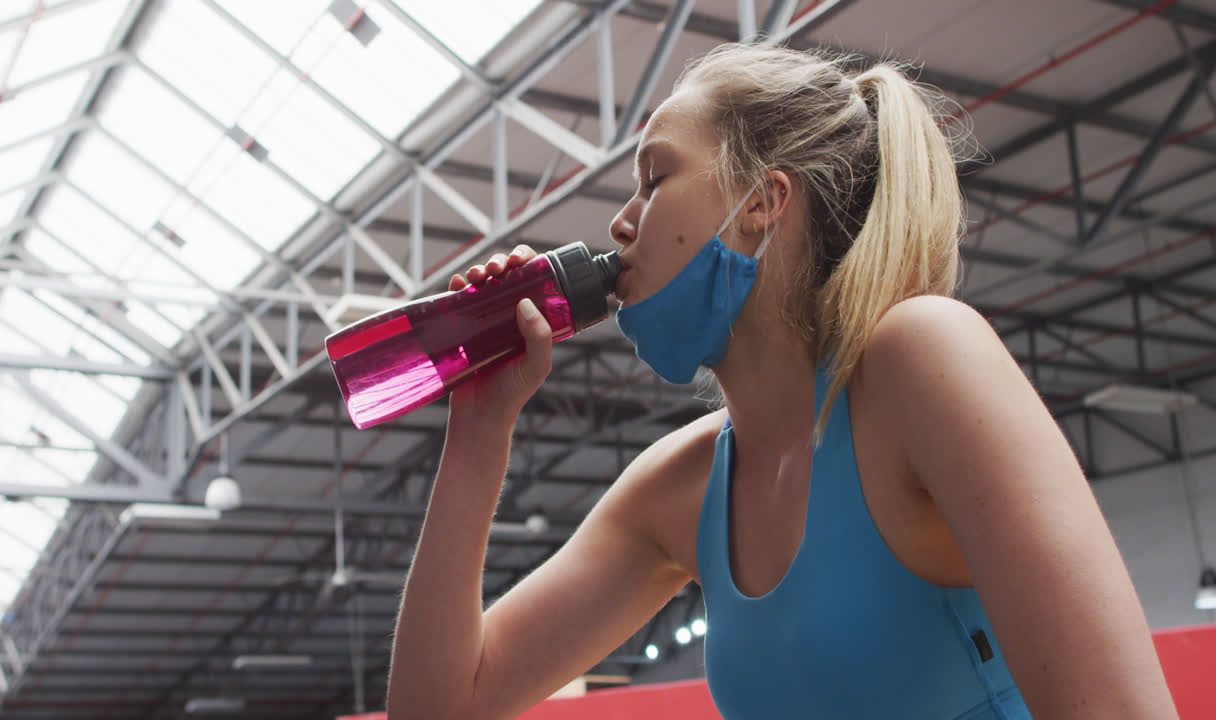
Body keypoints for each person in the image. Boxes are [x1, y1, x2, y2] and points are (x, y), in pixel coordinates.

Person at [386, 44, 1178, 720]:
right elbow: (441, 706)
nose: (621, 224)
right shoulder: (676, 490)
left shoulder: (917, 359)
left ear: (763, 200)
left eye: (654, 178)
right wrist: (479, 428)